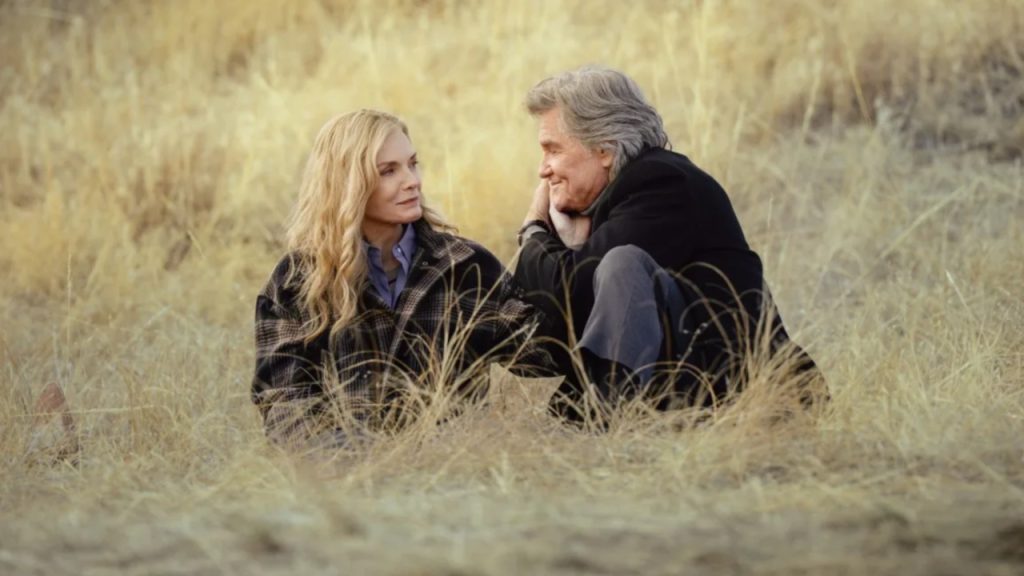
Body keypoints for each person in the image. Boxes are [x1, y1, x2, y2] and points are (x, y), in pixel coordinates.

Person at [513, 66, 824, 419]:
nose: (543, 169)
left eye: (553, 150)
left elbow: (570, 289)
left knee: (622, 265)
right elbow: (548, 327)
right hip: (692, 396)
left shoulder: (661, 183)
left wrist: (534, 228)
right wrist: (569, 246)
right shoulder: (603, 206)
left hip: (749, 399)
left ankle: (609, 422)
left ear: (603, 149)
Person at [252, 109, 550, 450]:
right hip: (349, 474)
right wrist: (379, 459)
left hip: (455, 471)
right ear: (348, 183)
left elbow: (544, 354)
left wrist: (544, 238)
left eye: (412, 164)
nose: (412, 181)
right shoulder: (297, 281)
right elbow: (287, 412)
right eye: (388, 171)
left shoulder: (465, 266)